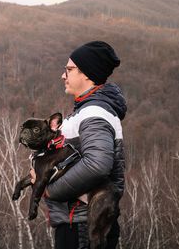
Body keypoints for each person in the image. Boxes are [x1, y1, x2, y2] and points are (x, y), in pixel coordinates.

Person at [30, 41, 126, 249]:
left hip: (85, 226)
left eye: (69, 69)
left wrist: (49, 190)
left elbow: (97, 164)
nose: (63, 75)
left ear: (87, 74)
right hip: (81, 223)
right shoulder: (87, 111)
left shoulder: (95, 113)